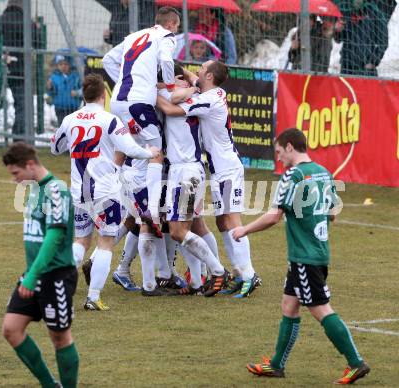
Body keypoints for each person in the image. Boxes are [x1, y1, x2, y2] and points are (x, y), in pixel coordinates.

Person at [232, 128, 370, 385]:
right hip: (315, 251)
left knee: (319, 308)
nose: (278, 157)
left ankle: (355, 362)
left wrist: (244, 229)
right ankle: (276, 365)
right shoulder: (324, 173)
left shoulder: (292, 176)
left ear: (289, 147)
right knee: (289, 305)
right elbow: (333, 213)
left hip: (305, 256)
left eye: (278, 152)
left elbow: (274, 215)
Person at [51, 73, 161, 308]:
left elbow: (55, 147)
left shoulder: (70, 119)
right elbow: (130, 147)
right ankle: (93, 297)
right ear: (104, 95)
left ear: (84, 95)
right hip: (105, 192)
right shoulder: (109, 120)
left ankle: (57, 286)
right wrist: (150, 153)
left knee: (81, 241)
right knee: (106, 241)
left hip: (79, 192)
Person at [156, 60, 261, 298]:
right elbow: (193, 79)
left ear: (210, 76)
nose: (198, 71)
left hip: (227, 169)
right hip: (219, 169)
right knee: (223, 223)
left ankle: (249, 274)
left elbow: (172, 108)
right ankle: (236, 273)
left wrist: (152, 92)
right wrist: (181, 70)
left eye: (203, 68)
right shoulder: (212, 90)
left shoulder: (208, 98)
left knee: (233, 221)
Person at [102, 6, 180, 296]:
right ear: (172, 24)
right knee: (155, 148)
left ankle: (134, 200)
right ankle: (150, 206)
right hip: (138, 102)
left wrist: (123, 81)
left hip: (120, 101)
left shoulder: (135, 35)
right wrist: (169, 86)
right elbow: (166, 59)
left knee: (138, 156)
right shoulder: (166, 37)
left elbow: (109, 59)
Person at [1, 142, 79, 387]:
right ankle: (49, 384)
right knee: (11, 329)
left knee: (59, 337)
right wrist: (31, 274)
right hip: (33, 274)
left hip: (55, 275)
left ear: (31, 164)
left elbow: (55, 237)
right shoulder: (34, 188)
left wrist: (33, 275)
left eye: (16, 173)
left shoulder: (57, 190)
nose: (15, 180)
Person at [158, 64, 228, 296]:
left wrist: (152, 91)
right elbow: (189, 86)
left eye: (174, 81)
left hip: (186, 174)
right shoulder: (194, 94)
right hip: (186, 170)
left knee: (178, 231)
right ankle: (199, 281)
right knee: (196, 225)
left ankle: (218, 272)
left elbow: (169, 107)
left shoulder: (185, 102)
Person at [0, 0, 39, 145]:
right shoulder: (29, 24)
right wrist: (37, 29)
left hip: (1, 69)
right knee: (22, 104)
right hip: (21, 70)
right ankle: (19, 139)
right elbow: (38, 44)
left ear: (8, 4)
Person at [335, 0, 389, 76]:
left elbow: (383, 42)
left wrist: (373, 62)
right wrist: (338, 31)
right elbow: (338, 40)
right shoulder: (346, 12)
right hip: (347, 66)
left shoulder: (376, 13)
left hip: (365, 68)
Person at [47, 55, 82, 126]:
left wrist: (77, 93)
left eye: (66, 64)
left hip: (73, 107)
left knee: (72, 126)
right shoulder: (54, 77)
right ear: (57, 66)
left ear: (70, 65)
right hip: (60, 108)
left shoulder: (76, 76)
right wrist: (49, 87)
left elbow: (83, 89)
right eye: (60, 64)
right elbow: (51, 92)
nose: (63, 66)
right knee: (62, 126)